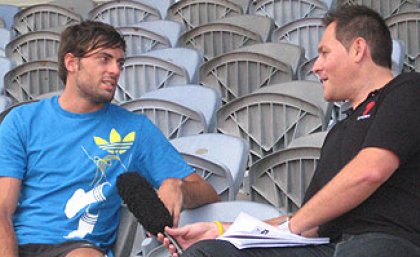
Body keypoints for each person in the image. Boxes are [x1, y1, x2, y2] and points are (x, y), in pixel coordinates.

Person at [158, 5, 420, 257]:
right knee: (209, 252)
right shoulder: (338, 132)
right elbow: (307, 222)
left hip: (386, 243)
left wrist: (293, 226)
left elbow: (370, 172)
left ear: (358, 49)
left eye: (324, 53)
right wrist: (221, 231)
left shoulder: (407, 89)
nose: (316, 66)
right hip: (329, 247)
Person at [0, 21, 219, 257]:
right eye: (104, 59)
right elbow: (2, 209)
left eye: (119, 62)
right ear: (71, 62)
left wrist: (179, 187)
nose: (115, 70)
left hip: (79, 249)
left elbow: (207, 192)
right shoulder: (23, 120)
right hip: (17, 243)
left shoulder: (135, 130)